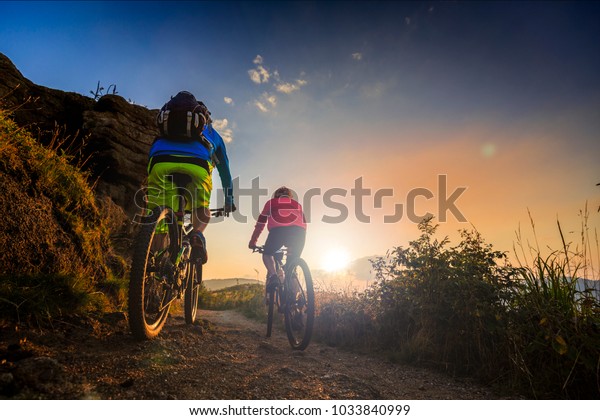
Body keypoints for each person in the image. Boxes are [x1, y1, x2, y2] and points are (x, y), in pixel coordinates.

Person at [146, 91, 235, 263]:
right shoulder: (211, 133)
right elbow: (224, 170)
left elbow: (152, 152)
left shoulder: (166, 127)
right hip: (197, 166)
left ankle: (153, 266)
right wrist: (229, 200)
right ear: (202, 117)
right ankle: (197, 235)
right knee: (201, 209)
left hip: (160, 162)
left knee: (160, 221)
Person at [248, 186, 307, 289]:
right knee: (292, 267)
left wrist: (253, 241)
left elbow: (260, 223)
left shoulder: (271, 203)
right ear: (290, 196)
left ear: (276, 196)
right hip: (299, 232)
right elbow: (304, 223)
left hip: (278, 231)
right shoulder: (298, 205)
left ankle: (274, 276)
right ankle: (295, 300)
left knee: (267, 254)